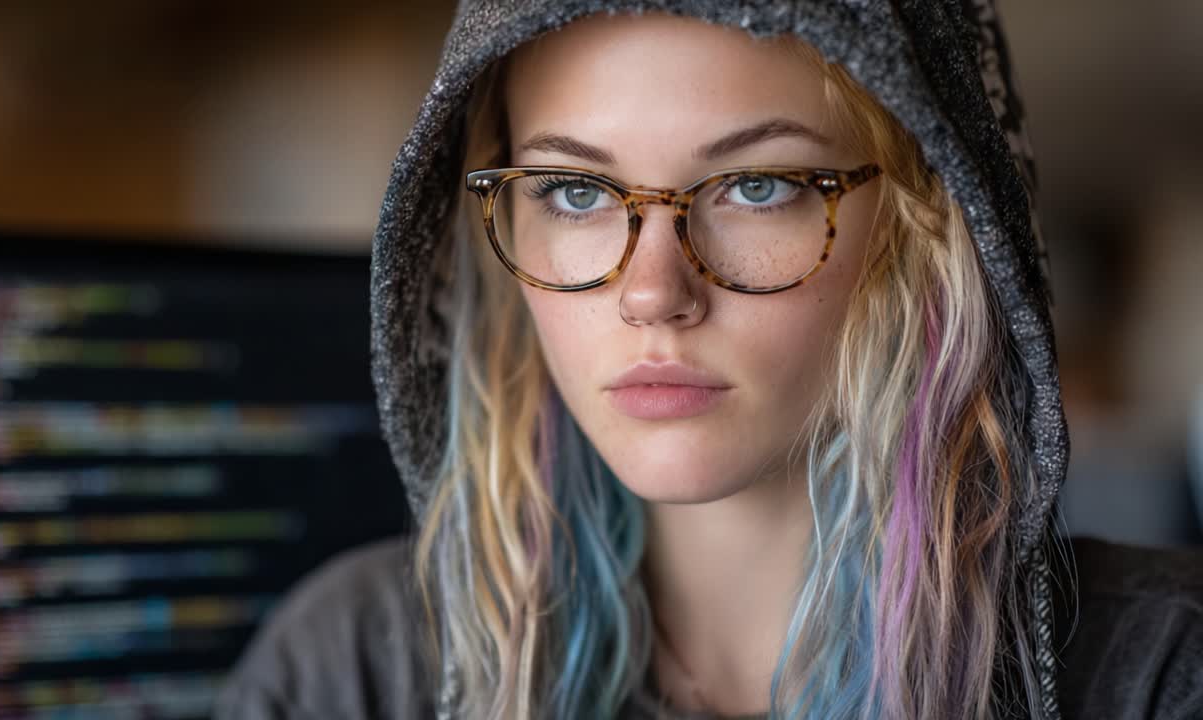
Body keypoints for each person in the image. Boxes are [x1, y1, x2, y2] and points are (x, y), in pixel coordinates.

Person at [215, 2, 1203, 719]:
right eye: (570, 192)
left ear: (924, 228)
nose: (652, 292)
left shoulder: (1158, 673)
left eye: (755, 187)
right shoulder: (349, 672)